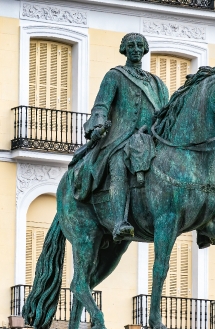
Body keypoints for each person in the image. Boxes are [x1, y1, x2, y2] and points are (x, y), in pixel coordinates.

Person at [72, 33, 169, 241]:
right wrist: (98, 125)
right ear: (124, 49)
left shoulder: (158, 84)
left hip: (151, 139)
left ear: (145, 49)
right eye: (131, 45)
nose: (135, 48)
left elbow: (166, 114)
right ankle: (119, 222)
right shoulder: (115, 76)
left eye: (139, 45)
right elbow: (101, 106)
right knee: (118, 166)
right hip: (121, 138)